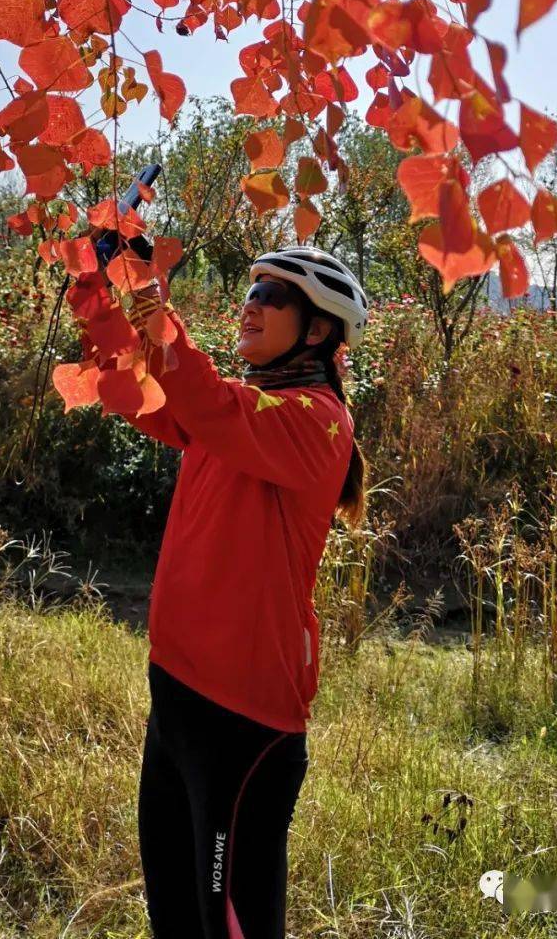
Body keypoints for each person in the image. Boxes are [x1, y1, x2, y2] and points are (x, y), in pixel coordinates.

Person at [107, 245, 370, 939]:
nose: (251, 302)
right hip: (177, 696)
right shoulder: (243, 408)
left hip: (242, 722)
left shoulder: (317, 420)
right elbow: (147, 397)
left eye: (274, 295)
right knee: (175, 916)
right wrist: (112, 300)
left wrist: (160, 315)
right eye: (252, 287)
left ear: (317, 330)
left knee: (232, 927)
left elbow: (212, 404)